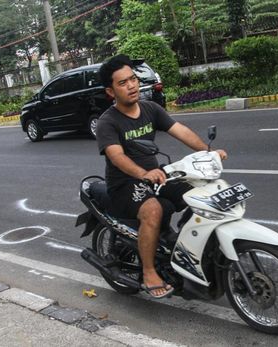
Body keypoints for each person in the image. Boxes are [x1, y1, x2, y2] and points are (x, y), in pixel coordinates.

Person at [96, 54, 227, 299]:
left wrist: (209, 153)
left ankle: (186, 251)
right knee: (153, 210)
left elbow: (181, 131)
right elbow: (116, 156)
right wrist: (143, 173)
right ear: (111, 92)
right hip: (125, 183)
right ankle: (149, 271)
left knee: (199, 192)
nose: (131, 85)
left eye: (133, 79)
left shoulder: (150, 109)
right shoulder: (108, 122)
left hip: (156, 176)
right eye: (123, 83)